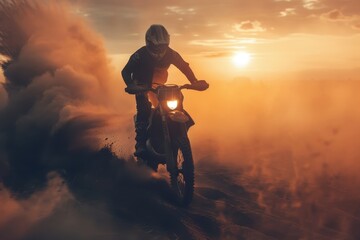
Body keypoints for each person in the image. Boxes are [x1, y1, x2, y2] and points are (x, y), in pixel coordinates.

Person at [122, 24, 207, 157]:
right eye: (156, 46)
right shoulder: (139, 55)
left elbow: (184, 67)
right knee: (144, 109)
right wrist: (132, 85)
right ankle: (141, 145)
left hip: (159, 84)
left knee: (174, 100)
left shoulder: (171, 54)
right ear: (149, 43)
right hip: (141, 85)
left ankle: (177, 133)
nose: (160, 50)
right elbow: (125, 71)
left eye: (163, 46)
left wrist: (194, 82)